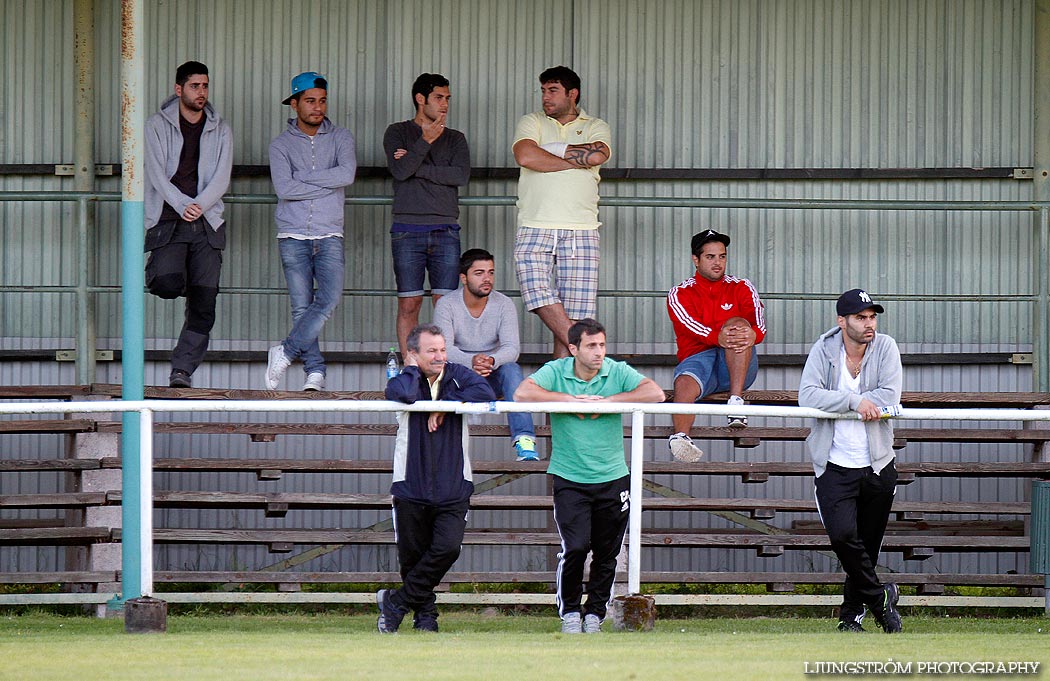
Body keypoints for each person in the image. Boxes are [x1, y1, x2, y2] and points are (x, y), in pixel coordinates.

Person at [514, 318, 664, 634]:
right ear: (573, 349)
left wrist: (609, 403)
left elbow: (655, 393)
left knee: (607, 553)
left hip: (613, 477)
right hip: (569, 478)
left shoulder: (615, 370)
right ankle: (570, 612)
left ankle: (594, 614)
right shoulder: (557, 371)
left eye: (602, 345)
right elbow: (522, 393)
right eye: (591, 346)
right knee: (577, 547)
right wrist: (568, 401)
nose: (599, 353)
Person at [377, 324, 496, 634]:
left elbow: (486, 392)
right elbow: (398, 393)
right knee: (413, 557)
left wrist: (447, 407)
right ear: (412, 354)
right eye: (432, 351)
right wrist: (413, 372)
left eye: (443, 349)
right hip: (410, 483)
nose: (440, 356)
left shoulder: (458, 374)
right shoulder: (406, 379)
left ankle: (397, 602)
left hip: (454, 483)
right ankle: (426, 616)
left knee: (447, 548)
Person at [798, 288, 903, 634]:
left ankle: (850, 617)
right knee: (843, 537)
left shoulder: (886, 347)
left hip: (877, 464)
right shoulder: (823, 349)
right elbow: (807, 395)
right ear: (842, 321)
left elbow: (890, 395)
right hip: (833, 464)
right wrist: (854, 403)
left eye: (872, 316)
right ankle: (881, 598)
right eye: (861, 317)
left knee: (867, 549)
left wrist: (845, 401)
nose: (869, 323)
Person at [265, 71, 357, 391]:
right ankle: (314, 371)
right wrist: (323, 185)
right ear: (294, 104)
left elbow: (346, 174)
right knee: (302, 307)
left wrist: (304, 178)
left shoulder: (341, 137)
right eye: (310, 101)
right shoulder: (280, 145)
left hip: (329, 232)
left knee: (329, 299)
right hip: (292, 234)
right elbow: (284, 187)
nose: (318, 107)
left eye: (322, 101)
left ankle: (286, 351)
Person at [144, 60, 233, 388]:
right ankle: (169, 273)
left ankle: (182, 370)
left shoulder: (220, 128)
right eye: (195, 86)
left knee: (204, 305)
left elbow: (222, 176)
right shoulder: (156, 125)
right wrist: (183, 204)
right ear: (178, 89)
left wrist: (200, 205)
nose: (202, 92)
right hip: (168, 218)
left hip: (207, 221)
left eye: (205, 86)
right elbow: (155, 174)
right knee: (167, 283)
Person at [512, 66, 611, 359]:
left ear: (572, 94)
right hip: (535, 223)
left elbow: (598, 154)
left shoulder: (596, 125)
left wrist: (550, 151)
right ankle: (580, 346)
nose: (545, 97)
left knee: (577, 311)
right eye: (543, 90)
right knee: (536, 291)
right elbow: (526, 155)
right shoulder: (531, 121)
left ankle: (562, 401)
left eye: (552, 90)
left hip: (582, 228)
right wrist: (575, 160)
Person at [384, 73, 470, 358]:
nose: (445, 104)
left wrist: (414, 163)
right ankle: (411, 368)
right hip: (407, 229)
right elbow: (398, 172)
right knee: (409, 304)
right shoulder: (397, 132)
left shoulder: (456, 138)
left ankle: (441, 367)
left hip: (446, 229)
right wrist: (425, 141)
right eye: (438, 98)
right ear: (420, 99)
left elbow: (459, 176)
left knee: (445, 305)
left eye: (447, 98)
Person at [665, 229, 765, 462]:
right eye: (710, 257)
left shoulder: (741, 286)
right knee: (684, 381)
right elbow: (688, 324)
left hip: (737, 366)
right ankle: (680, 437)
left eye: (722, 256)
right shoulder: (679, 292)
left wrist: (753, 335)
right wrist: (716, 336)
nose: (718, 262)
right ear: (695, 260)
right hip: (699, 362)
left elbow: (758, 323)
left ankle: (736, 403)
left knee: (738, 325)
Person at [433, 248, 538, 461]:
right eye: (479, 273)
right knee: (442, 371)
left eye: (490, 272)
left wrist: (491, 360)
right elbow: (444, 349)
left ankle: (524, 440)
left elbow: (511, 349)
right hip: (458, 377)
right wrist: (471, 361)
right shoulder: (446, 304)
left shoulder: (504, 304)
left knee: (511, 369)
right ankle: (440, 449)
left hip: (491, 373)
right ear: (464, 278)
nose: (487, 278)